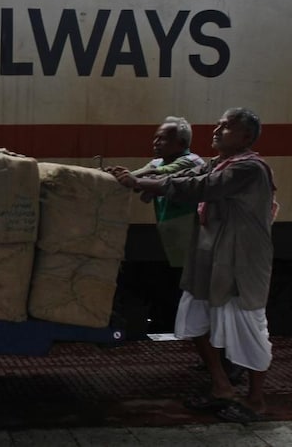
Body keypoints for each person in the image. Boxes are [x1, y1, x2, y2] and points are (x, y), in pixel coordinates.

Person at [108, 108, 277, 424]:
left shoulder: (250, 169)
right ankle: (222, 387)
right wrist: (139, 181)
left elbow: (200, 187)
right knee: (195, 318)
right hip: (209, 259)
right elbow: (183, 178)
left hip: (239, 262)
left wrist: (142, 182)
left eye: (226, 127)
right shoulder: (219, 164)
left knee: (248, 328)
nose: (216, 129)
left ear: (246, 137)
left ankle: (256, 400)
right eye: (218, 124)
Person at [130, 116, 205, 269]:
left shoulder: (191, 161)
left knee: (192, 272)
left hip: (189, 227)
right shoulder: (158, 162)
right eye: (155, 138)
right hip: (169, 226)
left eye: (162, 139)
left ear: (182, 144)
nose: (156, 143)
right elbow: (135, 183)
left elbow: (158, 173)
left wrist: (139, 175)